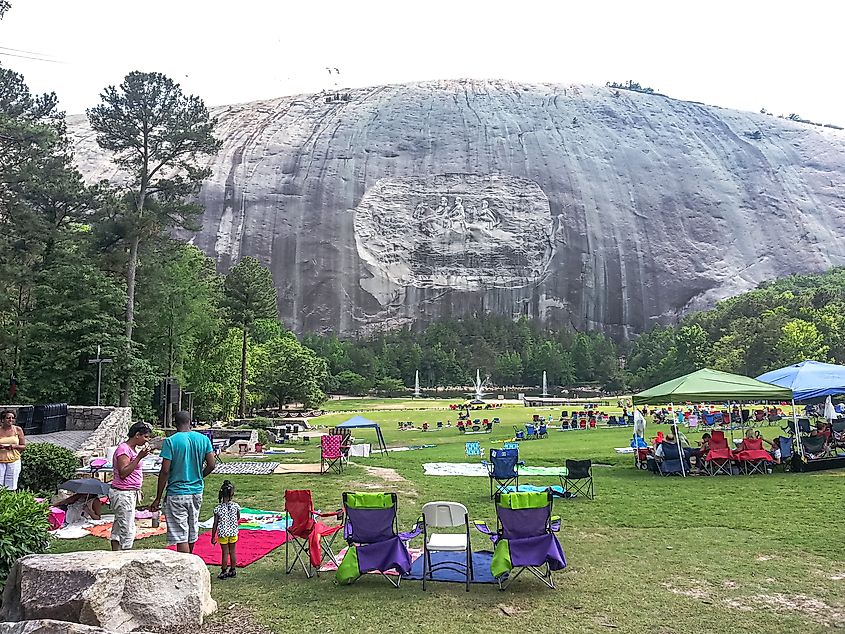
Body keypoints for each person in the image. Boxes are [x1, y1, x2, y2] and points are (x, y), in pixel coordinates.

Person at [151, 411, 216, 553]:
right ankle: (191, 562)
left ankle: (186, 567)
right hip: (196, 491)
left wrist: (158, 497)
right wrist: (199, 475)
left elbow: (165, 470)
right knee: (192, 532)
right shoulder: (203, 439)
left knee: (181, 536)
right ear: (190, 422)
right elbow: (211, 464)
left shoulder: (171, 441)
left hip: (176, 492)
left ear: (175, 423)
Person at [109, 422, 152, 551]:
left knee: (118, 526)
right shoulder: (124, 449)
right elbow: (123, 472)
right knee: (128, 529)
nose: (147, 440)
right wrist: (139, 457)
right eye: (145, 437)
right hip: (123, 493)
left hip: (129, 492)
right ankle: (126, 557)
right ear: (137, 435)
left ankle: (115, 553)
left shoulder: (132, 450)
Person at [211, 480, 240, 579]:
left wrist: (213, 536)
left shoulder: (218, 509)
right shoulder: (236, 506)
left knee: (225, 552)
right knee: (232, 551)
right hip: (233, 532)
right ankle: (233, 569)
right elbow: (238, 517)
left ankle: (223, 571)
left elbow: (215, 524)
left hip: (223, 533)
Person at [0, 409, 25, 490]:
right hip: (0, 462)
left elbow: (23, 446)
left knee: (11, 486)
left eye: (12, 418)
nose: (11, 420)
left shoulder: (18, 430)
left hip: (13, 461)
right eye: (8, 418)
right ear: (2, 420)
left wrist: (13, 446)